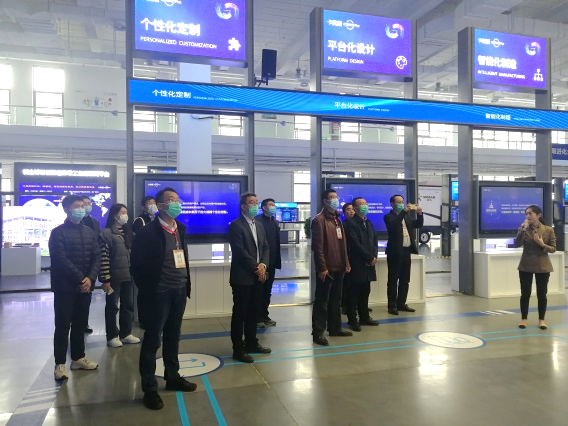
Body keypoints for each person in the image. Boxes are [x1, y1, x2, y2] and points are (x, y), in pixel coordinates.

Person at [130, 187, 196, 410]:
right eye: (171, 200)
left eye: (178, 199)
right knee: (152, 341)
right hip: (158, 294)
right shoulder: (147, 232)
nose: (176, 203)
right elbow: (136, 266)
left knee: (173, 336)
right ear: (160, 206)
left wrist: (185, 284)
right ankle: (149, 389)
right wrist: (150, 290)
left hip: (179, 290)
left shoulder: (181, 229)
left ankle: (173, 377)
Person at [49, 194, 100, 381]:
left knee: (80, 323)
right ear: (66, 209)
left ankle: (78, 358)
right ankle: (60, 364)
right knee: (63, 325)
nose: (81, 209)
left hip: (85, 287)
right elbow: (60, 259)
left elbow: (96, 256)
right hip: (65, 287)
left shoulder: (89, 232)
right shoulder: (58, 233)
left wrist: (90, 278)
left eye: (83, 205)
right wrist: (81, 279)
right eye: (77, 206)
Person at [228, 192, 272, 363]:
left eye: (256, 202)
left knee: (254, 312)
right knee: (240, 314)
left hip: (258, 276)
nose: (255, 205)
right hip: (242, 277)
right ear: (243, 206)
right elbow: (239, 251)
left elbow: (265, 247)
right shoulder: (236, 225)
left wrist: (263, 265)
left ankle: (252, 343)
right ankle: (238, 349)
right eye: (251, 202)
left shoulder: (258, 224)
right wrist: (256, 267)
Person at [311, 189, 352, 346]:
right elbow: (318, 247)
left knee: (336, 299)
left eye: (336, 197)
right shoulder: (319, 220)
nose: (335, 199)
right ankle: (318, 332)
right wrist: (322, 267)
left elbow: (343, 244)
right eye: (331, 197)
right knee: (322, 301)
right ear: (325, 201)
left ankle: (335, 328)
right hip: (327, 269)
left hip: (339, 266)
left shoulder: (337, 219)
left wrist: (346, 262)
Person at [99, 203, 140, 348]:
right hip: (114, 277)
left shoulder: (129, 233)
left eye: (126, 212)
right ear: (115, 214)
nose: (125, 215)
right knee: (112, 307)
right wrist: (106, 279)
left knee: (128, 305)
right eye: (122, 212)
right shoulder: (106, 233)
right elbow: (103, 257)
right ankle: (112, 335)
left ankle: (126, 333)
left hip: (128, 275)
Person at [514, 205, 556, 330]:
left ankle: (541, 320)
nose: (527, 216)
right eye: (526, 214)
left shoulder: (548, 230)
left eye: (530, 213)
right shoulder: (523, 229)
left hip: (542, 265)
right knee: (525, 293)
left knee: (542, 294)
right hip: (526, 265)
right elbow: (517, 244)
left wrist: (542, 244)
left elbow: (553, 248)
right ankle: (523, 319)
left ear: (538, 215)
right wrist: (522, 230)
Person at [384, 194, 423, 316]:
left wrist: (420, 214)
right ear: (392, 204)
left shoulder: (407, 216)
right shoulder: (388, 216)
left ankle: (401, 303)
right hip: (395, 252)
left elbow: (418, 225)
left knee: (405, 279)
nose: (401, 203)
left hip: (406, 251)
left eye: (402, 201)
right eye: (399, 202)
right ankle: (392, 305)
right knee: (393, 280)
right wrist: (403, 212)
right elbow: (393, 225)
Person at [344, 197, 379, 331]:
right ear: (355, 208)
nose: (365, 206)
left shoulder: (368, 222)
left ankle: (365, 317)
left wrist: (374, 256)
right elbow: (355, 243)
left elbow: (374, 240)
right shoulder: (351, 223)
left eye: (366, 203)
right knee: (354, 293)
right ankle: (353, 320)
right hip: (357, 262)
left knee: (365, 291)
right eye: (361, 204)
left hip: (369, 263)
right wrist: (369, 257)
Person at [131, 195, 158, 328]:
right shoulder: (139, 220)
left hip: (157, 262)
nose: (152, 205)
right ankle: (143, 320)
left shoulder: (159, 219)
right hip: (144, 263)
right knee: (144, 293)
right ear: (143, 207)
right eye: (149, 203)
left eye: (154, 202)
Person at [257, 198, 282, 327]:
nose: (274, 207)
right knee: (259, 291)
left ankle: (264, 315)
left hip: (272, 262)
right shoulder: (257, 222)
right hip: (261, 263)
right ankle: (257, 318)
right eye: (271, 205)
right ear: (264, 208)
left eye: (274, 204)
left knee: (267, 291)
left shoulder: (275, 222)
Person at [81, 195, 100, 334]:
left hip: (91, 264)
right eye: (85, 203)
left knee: (87, 297)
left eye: (89, 203)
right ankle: (75, 323)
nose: (88, 206)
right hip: (78, 263)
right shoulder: (75, 221)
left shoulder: (95, 222)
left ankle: (84, 323)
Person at [341, 202, 355, 315]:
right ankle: (345, 305)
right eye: (348, 209)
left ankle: (356, 305)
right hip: (347, 256)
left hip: (357, 258)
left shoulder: (359, 223)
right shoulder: (343, 225)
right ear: (344, 212)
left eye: (352, 209)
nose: (351, 211)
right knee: (347, 283)